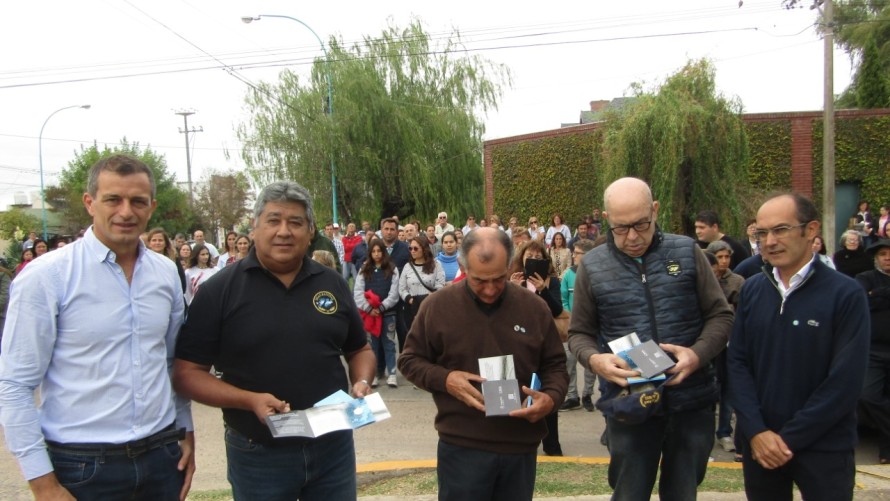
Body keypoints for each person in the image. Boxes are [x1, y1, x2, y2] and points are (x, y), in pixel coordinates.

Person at [0, 154, 195, 500]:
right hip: (82, 466)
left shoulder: (165, 273)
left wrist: (186, 431)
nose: (126, 212)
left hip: (161, 458)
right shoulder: (46, 277)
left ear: (151, 207)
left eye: (138, 201)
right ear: (90, 203)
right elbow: (15, 384)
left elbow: (170, 362)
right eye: (113, 199)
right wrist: (43, 484)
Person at [173, 180, 375, 501]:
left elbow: (359, 348)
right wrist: (248, 400)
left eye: (295, 222)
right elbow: (187, 374)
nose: (284, 231)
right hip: (258, 452)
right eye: (273, 220)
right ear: (254, 228)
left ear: (310, 231)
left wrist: (362, 381)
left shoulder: (332, 283)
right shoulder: (219, 291)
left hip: (332, 446)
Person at [569, 177, 734, 500]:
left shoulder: (687, 252)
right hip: (629, 402)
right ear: (607, 219)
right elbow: (579, 333)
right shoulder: (593, 265)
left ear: (655, 210)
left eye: (641, 224)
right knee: (629, 492)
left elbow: (721, 315)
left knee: (683, 492)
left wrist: (698, 354)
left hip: (691, 401)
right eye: (620, 227)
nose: (632, 236)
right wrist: (595, 360)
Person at [398, 227, 568, 501]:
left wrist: (550, 398)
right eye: (479, 280)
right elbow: (409, 360)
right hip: (461, 446)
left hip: (519, 447)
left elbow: (556, 365)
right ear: (463, 266)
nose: (490, 289)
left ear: (510, 265)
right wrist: (446, 379)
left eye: (499, 279)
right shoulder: (437, 306)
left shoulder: (534, 307)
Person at [728, 193, 870, 501]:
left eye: (781, 230)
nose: (770, 241)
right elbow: (737, 363)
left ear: (811, 230)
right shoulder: (752, 290)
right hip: (760, 445)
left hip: (825, 447)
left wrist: (788, 439)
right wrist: (757, 431)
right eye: (762, 233)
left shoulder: (846, 294)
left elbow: (845, 382)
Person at [705, 240, 746, 460]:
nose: (723, 261)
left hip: (730, 342)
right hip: (708, 343)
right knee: (709, 387)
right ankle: (706, 434)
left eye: (726, 257)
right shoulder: (702, 278)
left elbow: (741, 310)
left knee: (728, 388)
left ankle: (724, 431)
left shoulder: (737, 281)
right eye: (719, 257)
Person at [856, 239, 890, 464]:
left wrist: (876, 294)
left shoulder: (872, 287)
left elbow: (873, 300)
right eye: (883, 254)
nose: (888, 258)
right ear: (876, 258)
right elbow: (861, 303)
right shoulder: (865, 278)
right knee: (867, 395)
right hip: (873, 349)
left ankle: (886, 450)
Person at [355, 238, 401, 388]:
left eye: (379, 251)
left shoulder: (392, 269)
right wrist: (368, 308)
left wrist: (381, 308)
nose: (376, 254)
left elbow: (394, 294)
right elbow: (358, 292)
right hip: (370, 314)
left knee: (389, 343)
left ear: (383, 252)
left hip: (387, 313)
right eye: (373, 251)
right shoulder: (364, 269)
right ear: (370, 253)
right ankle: (373, 374)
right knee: (372, 345)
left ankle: (392, 373)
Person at [561, 239, 599, 412]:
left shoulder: (596, 273)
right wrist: (569, 315)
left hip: (591, 325)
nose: (574, 256)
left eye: (577, 253)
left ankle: (587, 394)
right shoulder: (568, 274)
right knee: (569, 361)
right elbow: (563, 298)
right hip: (571, 324)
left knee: (591, 361)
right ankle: (572, 396)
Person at [400, 236, 445, 334]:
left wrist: (428, 299)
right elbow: (402, 288)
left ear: (424, 249)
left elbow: (440, 284)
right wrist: (411, 300)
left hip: (430, 307)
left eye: (415, 248)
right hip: (412, 308)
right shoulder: (407, 266)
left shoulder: (436, 264)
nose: (412, 251)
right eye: (410, 248)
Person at [148, 227, 187, 293]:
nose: (157, 243)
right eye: (154, 240)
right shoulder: (144, 260)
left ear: (165, 243)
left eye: (160, 240)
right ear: (149, 243)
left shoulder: (173, 259)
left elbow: (181, 282)